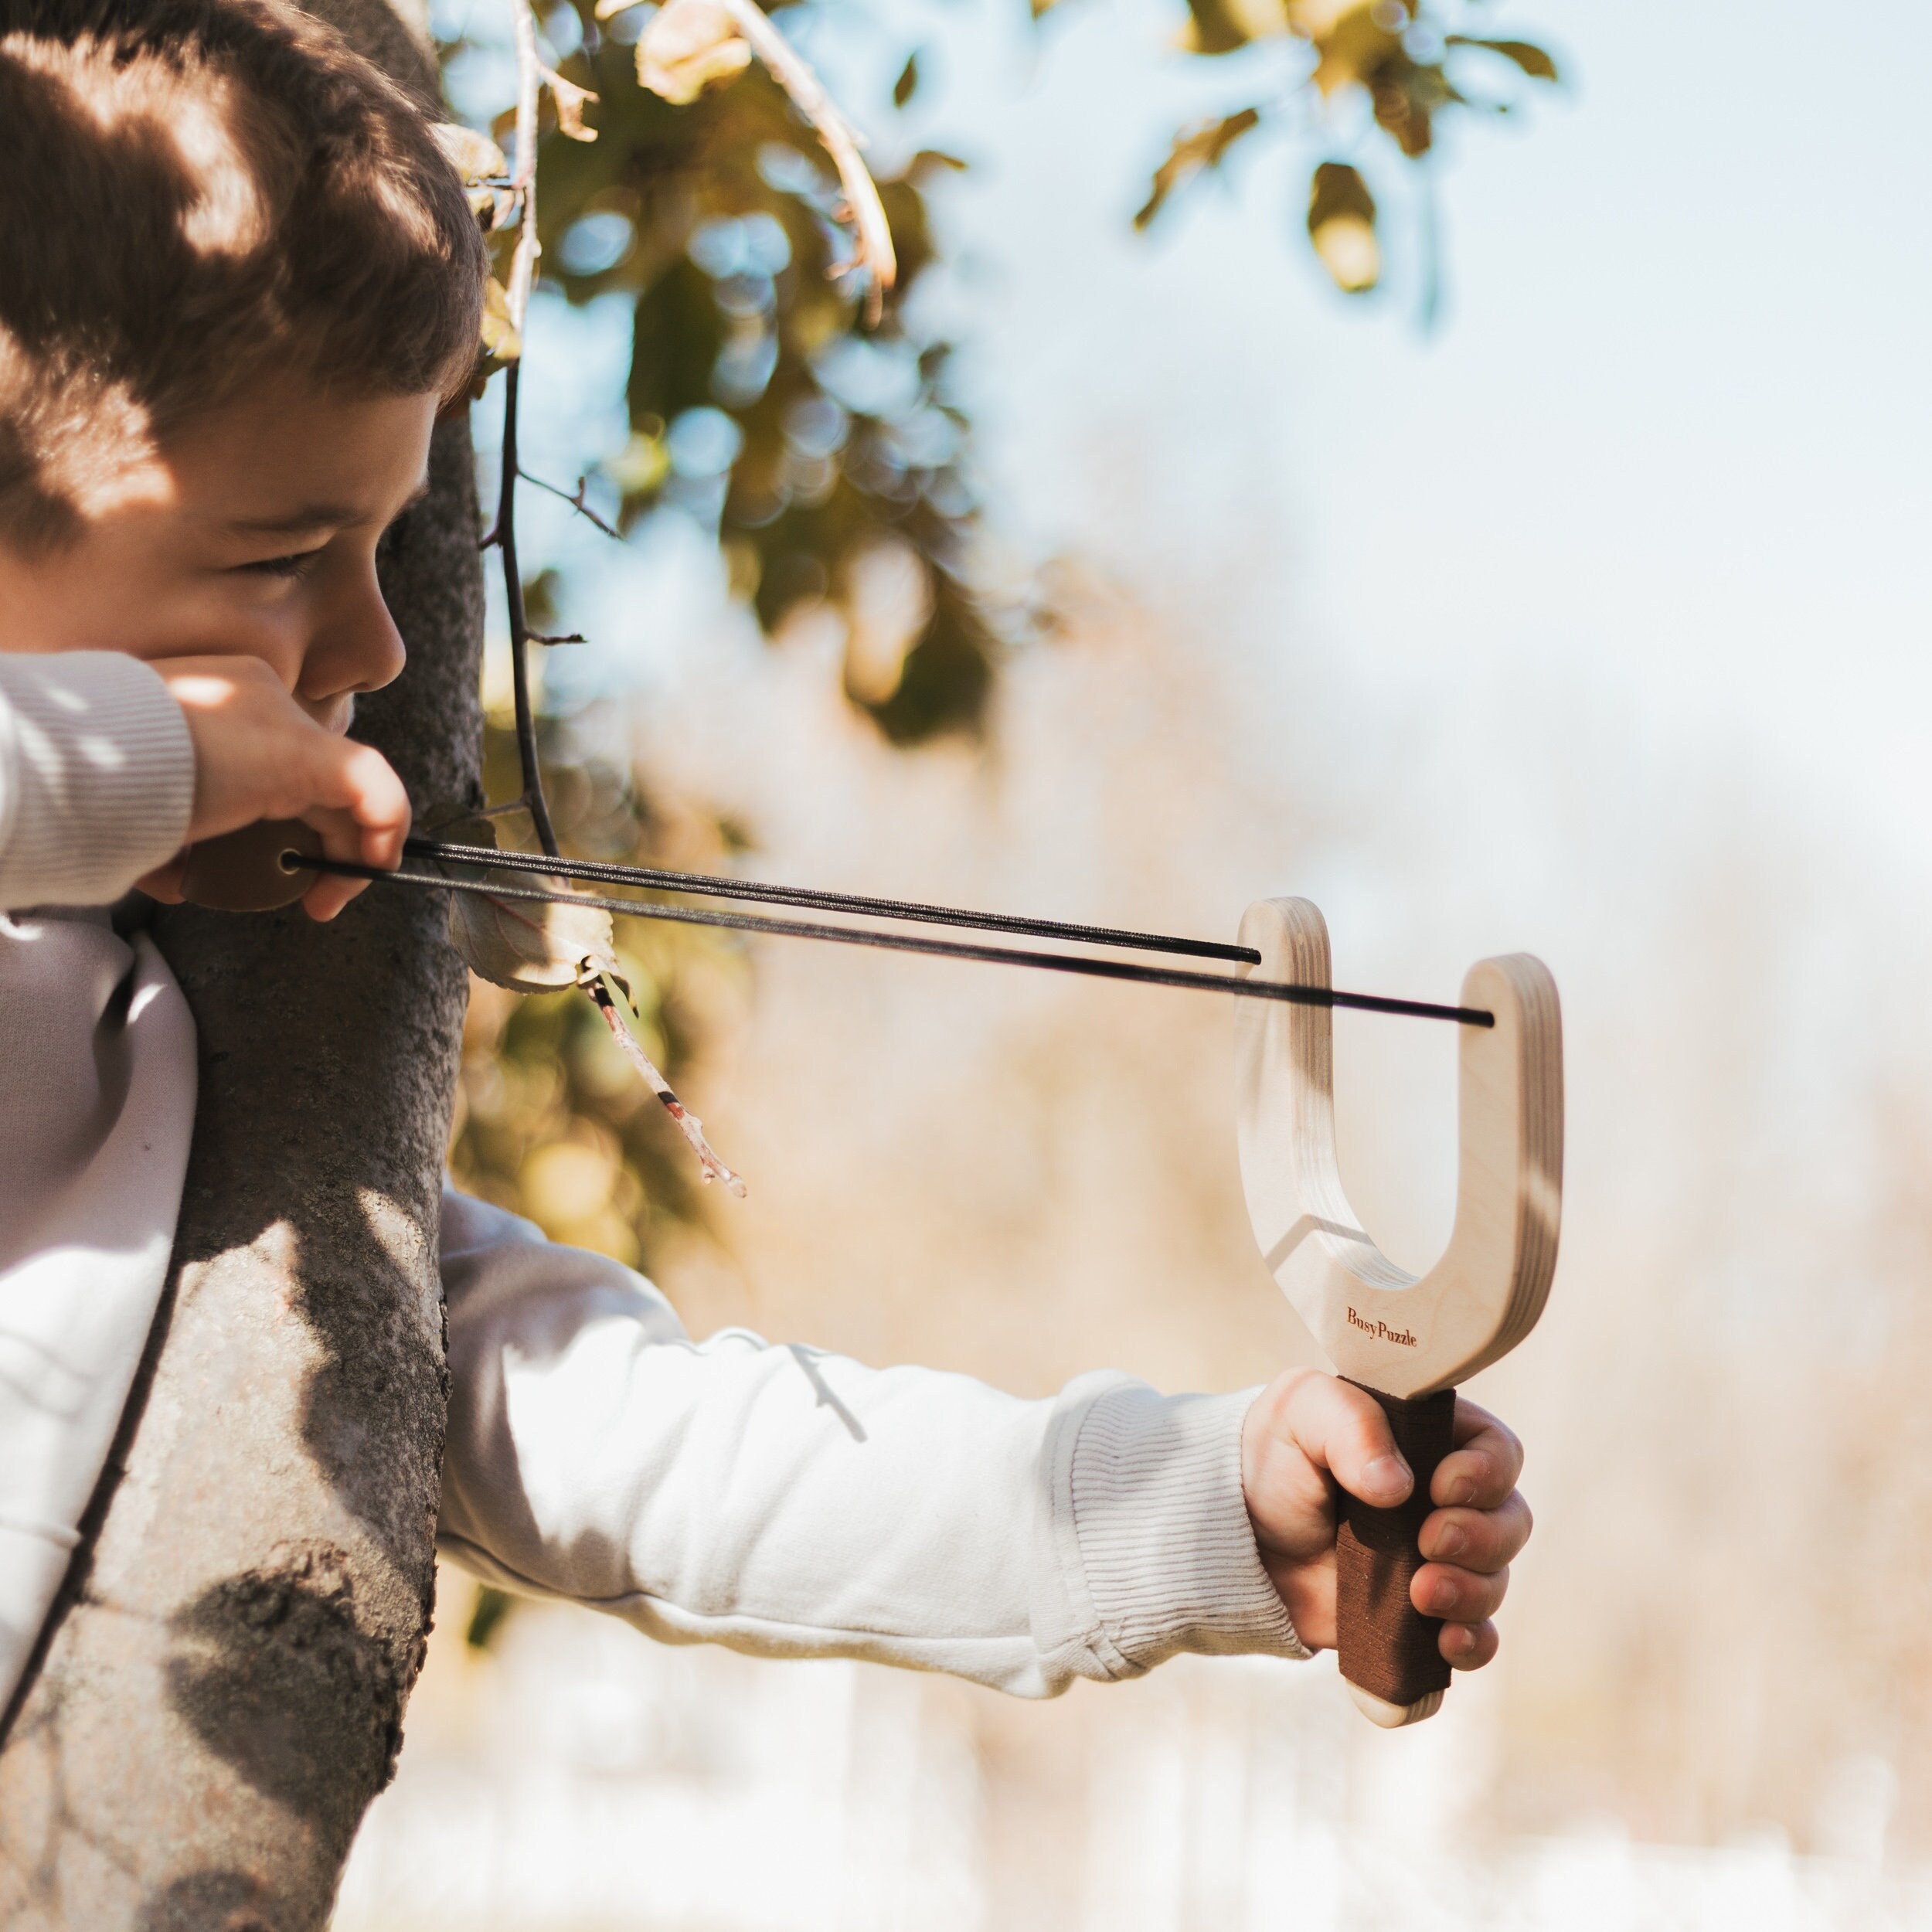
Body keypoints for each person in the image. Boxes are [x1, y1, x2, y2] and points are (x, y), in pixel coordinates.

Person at [0, 0, 1530, 1735]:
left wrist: (1200, 1505)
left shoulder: (188, 1095)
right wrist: (152, 761)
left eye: (376, 545)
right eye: (280, 553)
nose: (368, 640)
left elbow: (637, 1439)